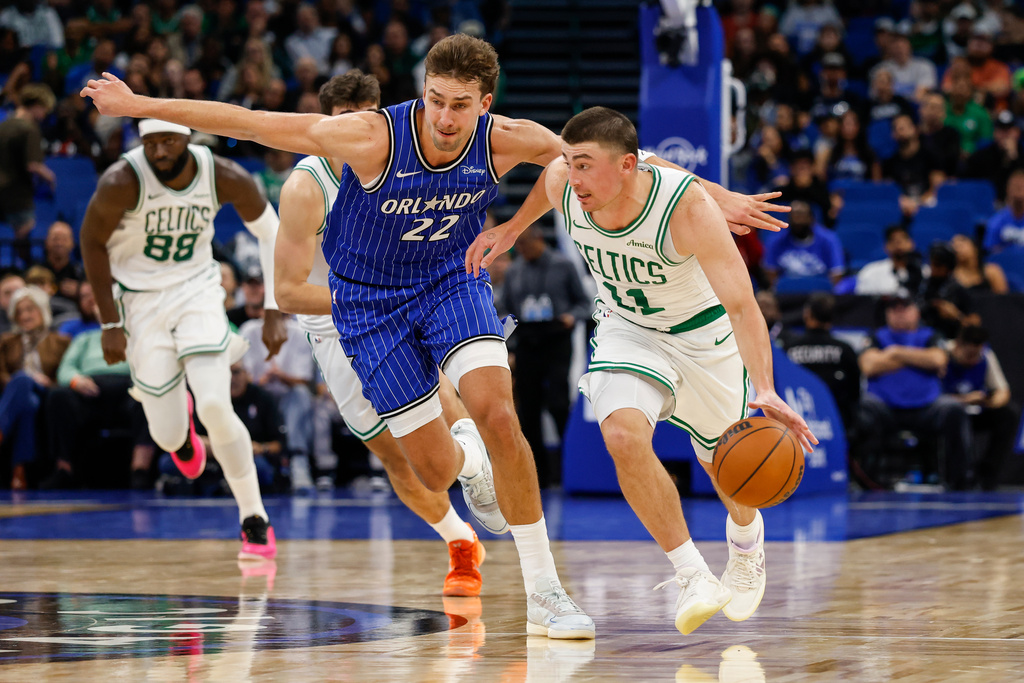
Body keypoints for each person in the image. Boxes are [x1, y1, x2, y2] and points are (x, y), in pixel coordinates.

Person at [82, 34, 789, 638]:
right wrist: (139, 106)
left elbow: (604, 156)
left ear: (486, 104)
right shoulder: (369, 137)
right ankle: (470, 469)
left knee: (498, 410)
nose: (445, 117)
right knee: (434, 466)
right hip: (369, 304)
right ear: (422, 93)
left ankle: (545, 591)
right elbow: (251, 120)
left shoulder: (508, 139)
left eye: (460, 104)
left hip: (452, 283)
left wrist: (713, 195)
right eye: (435, 99)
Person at [466, 107, 817, 636]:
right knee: (622, 435)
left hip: (704, 336)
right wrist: (515, 228)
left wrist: (764, 387)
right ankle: (692, 575)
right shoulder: (566, 179)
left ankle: (746, 545)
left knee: (730, 469)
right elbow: (550, 182)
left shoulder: (685, 207)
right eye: (570, 163)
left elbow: (744, 305)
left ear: (628, 165)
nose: (574, 177)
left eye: (586, 165)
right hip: (628, 328)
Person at [274, 70, 489, 596]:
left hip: (411, 303)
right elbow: (288, 292)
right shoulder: (307, 186)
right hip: (339, 326)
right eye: (344, 122)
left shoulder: (406, 153)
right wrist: (378, 295)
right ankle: (459, 539)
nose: (357, 132)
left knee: (457, 401)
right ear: (325, 125)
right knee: (398, 457)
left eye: (367, 118)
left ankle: (488, 483)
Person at [77, 118, 288, 560]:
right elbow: (91, 243)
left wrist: (272, 308)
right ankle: (184, 438)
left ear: (188, 137)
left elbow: (271, 232)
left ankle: (254, 518)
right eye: (150, 143)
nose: (159, 153)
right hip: (140, 302)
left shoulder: (224, 175)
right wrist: (110, 323)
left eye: (168, 141)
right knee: (168, 437)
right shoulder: (121, 181)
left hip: (197, 291)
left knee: (216, 403)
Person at [498, 224, 591, 488]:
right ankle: (538, 472)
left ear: (539, 239)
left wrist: (572, 316)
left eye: (526, 245)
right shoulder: (515, 270)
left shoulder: (563, 265)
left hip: (556, 340)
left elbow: (584, 303)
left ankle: (567, 467)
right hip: (527, 342)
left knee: (559, 403)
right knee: (528, 408)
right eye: (520, 247)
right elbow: (504, 306)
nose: (523, 251)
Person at [857, 295, 972, 489]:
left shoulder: (930, 335)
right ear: (886, 314)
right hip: (886, 408)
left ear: (916, 312)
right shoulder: (876, 336)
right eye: (894, 309)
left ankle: (960, 481)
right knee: (863, 406)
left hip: (926, 407)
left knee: (953, 408)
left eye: (905, 308)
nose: (899, 312)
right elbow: (869, 365)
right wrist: (918, 359)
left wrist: (894, 352)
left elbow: (938, 360)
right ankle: (868, 479)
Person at [44, 310, 156, 490]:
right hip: (89, 390)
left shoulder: (138, 337)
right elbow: (65, 369)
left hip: (128, 388)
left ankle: (140, 470)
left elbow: (151, 365)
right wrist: (76, 380)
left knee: (148, 395)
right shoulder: (85, 338)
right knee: (58, 396)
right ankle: (64, 470)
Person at [0, 286, 69, 489]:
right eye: (20, 311)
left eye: (30, 309)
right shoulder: (6, 341)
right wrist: (19, 380)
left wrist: (48, 382)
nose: (25, 315)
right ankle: (19, 471)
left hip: (48, 393)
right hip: (15, 394)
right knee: (27, 400)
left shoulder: (61, 342)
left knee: (24, 382)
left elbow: (65, 374)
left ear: (42, 310)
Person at [942, 325, 1018, 490]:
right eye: (970, 355)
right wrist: (965, 399)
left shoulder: (985, 355)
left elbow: (1003, 391)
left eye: (977, 354)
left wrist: (988, 402)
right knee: (953, 414)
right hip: (948, 414)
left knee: (1008, 414)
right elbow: (930, 397)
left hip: (975, 411)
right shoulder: (940, 354)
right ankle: (958, 474)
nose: (974, 360)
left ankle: (987, 473)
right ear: (957, 346)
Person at [783, 292, 861, 434]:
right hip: (838, 421)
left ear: (807, 314)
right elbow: (855, 392)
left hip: (798, 421)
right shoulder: (844, 349)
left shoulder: (789, 349)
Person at [0, 83, 56, 249]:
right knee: (25, 232)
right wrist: (50, 177)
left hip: (1, 191)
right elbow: (33, 165)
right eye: (45, 109)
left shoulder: (4, 125)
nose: (44, 115)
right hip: (17, 194)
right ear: (38, 105)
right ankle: (19, 269)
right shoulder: (30, 129)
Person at [762, 200, 846, 287]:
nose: (798, 220)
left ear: (811, 218)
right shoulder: (776, 240)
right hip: (787, 295)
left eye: (801, 215)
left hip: (819, 293)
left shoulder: (828, 239)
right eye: (794, 216)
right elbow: (770, 272)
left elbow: (836, 272)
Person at [854, 225, 925, 296]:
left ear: (911, 243)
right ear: (886, 246)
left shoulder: (924, 272)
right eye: (893, 240)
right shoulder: (870, 273)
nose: (899, 243)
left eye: (903, 238)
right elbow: (862, 302)